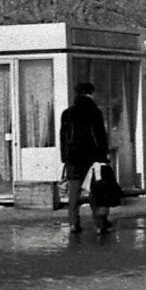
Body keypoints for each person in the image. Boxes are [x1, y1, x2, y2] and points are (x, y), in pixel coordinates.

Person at [59, 81, 112, 234]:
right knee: (96, 191)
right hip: (92, 158)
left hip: (74, 159)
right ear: (90, 93)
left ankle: (73, 223)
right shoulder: (95, 113)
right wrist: (103, 156)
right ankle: (99, 224)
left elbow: (64, 138)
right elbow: (100, 137)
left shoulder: (67, 113)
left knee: (73, 193)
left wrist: (65, 158)